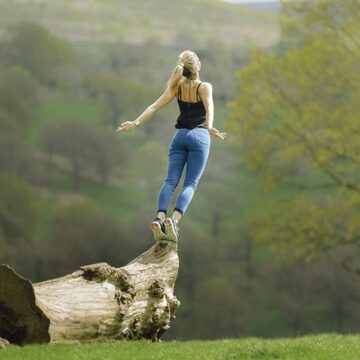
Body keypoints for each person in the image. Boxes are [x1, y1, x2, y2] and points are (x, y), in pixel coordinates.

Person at [116, 50, 227, 243]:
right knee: (190, 183)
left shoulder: (177, 87)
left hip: (179, 137)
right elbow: (209, 107)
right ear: (198, 66)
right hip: (199, 137)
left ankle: (159, 219)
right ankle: (173, 221)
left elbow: (154, 107)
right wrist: (209, 128)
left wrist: (135, 123)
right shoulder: (204, 87)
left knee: (170, 181)